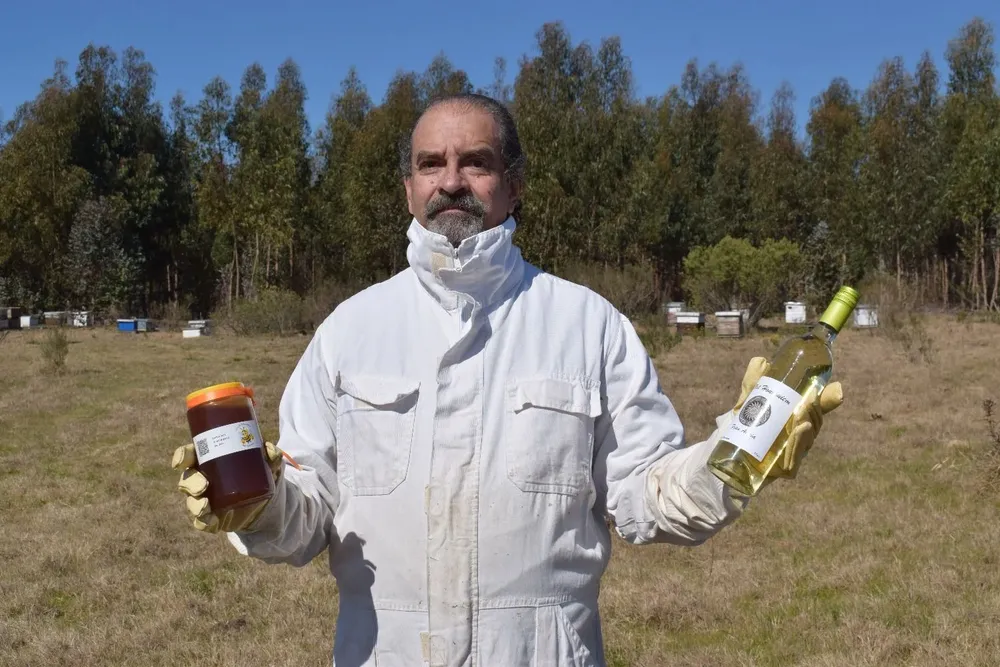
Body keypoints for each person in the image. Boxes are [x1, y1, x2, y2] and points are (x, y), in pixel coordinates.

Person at [172, 93, 844, 667]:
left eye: (477, 162)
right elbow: (308, 513)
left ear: (515, 183)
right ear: (408, 187)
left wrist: (730, 464)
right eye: (430, 163)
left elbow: (646, 496)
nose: (452, 180)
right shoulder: (350, 332)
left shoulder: (588, 325)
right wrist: (257, 506)